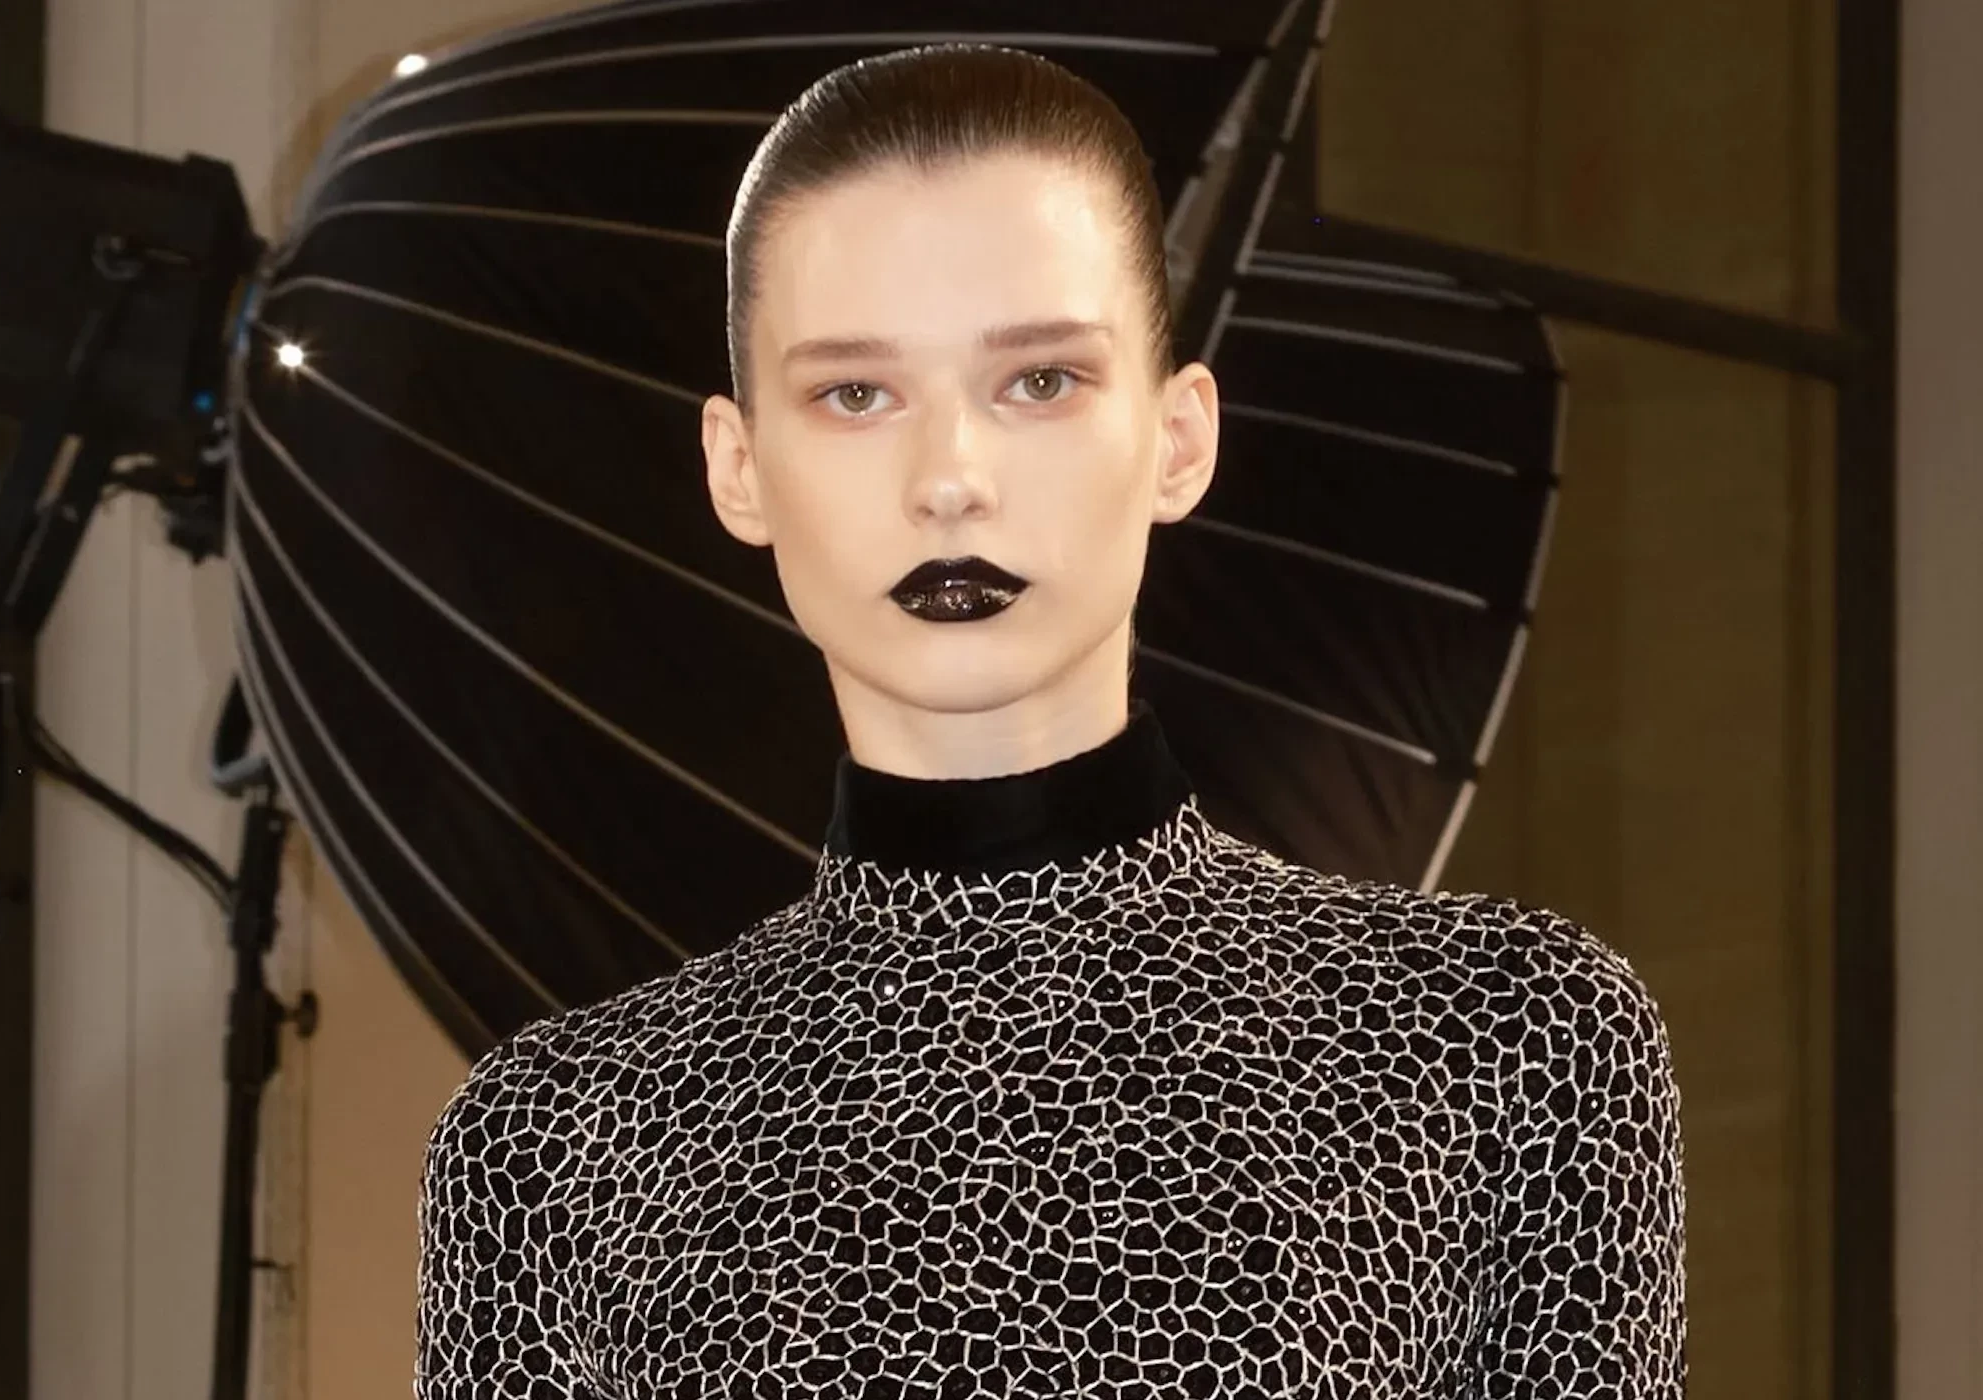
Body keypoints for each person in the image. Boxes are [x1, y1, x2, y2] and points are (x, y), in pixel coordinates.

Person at [414, 43, 1686, 1399]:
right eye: (855, 394)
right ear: (739, 468)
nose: (949, 479)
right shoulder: (553, 1149)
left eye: (1037, 381)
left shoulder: (1504, 1044)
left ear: (1179, 438)